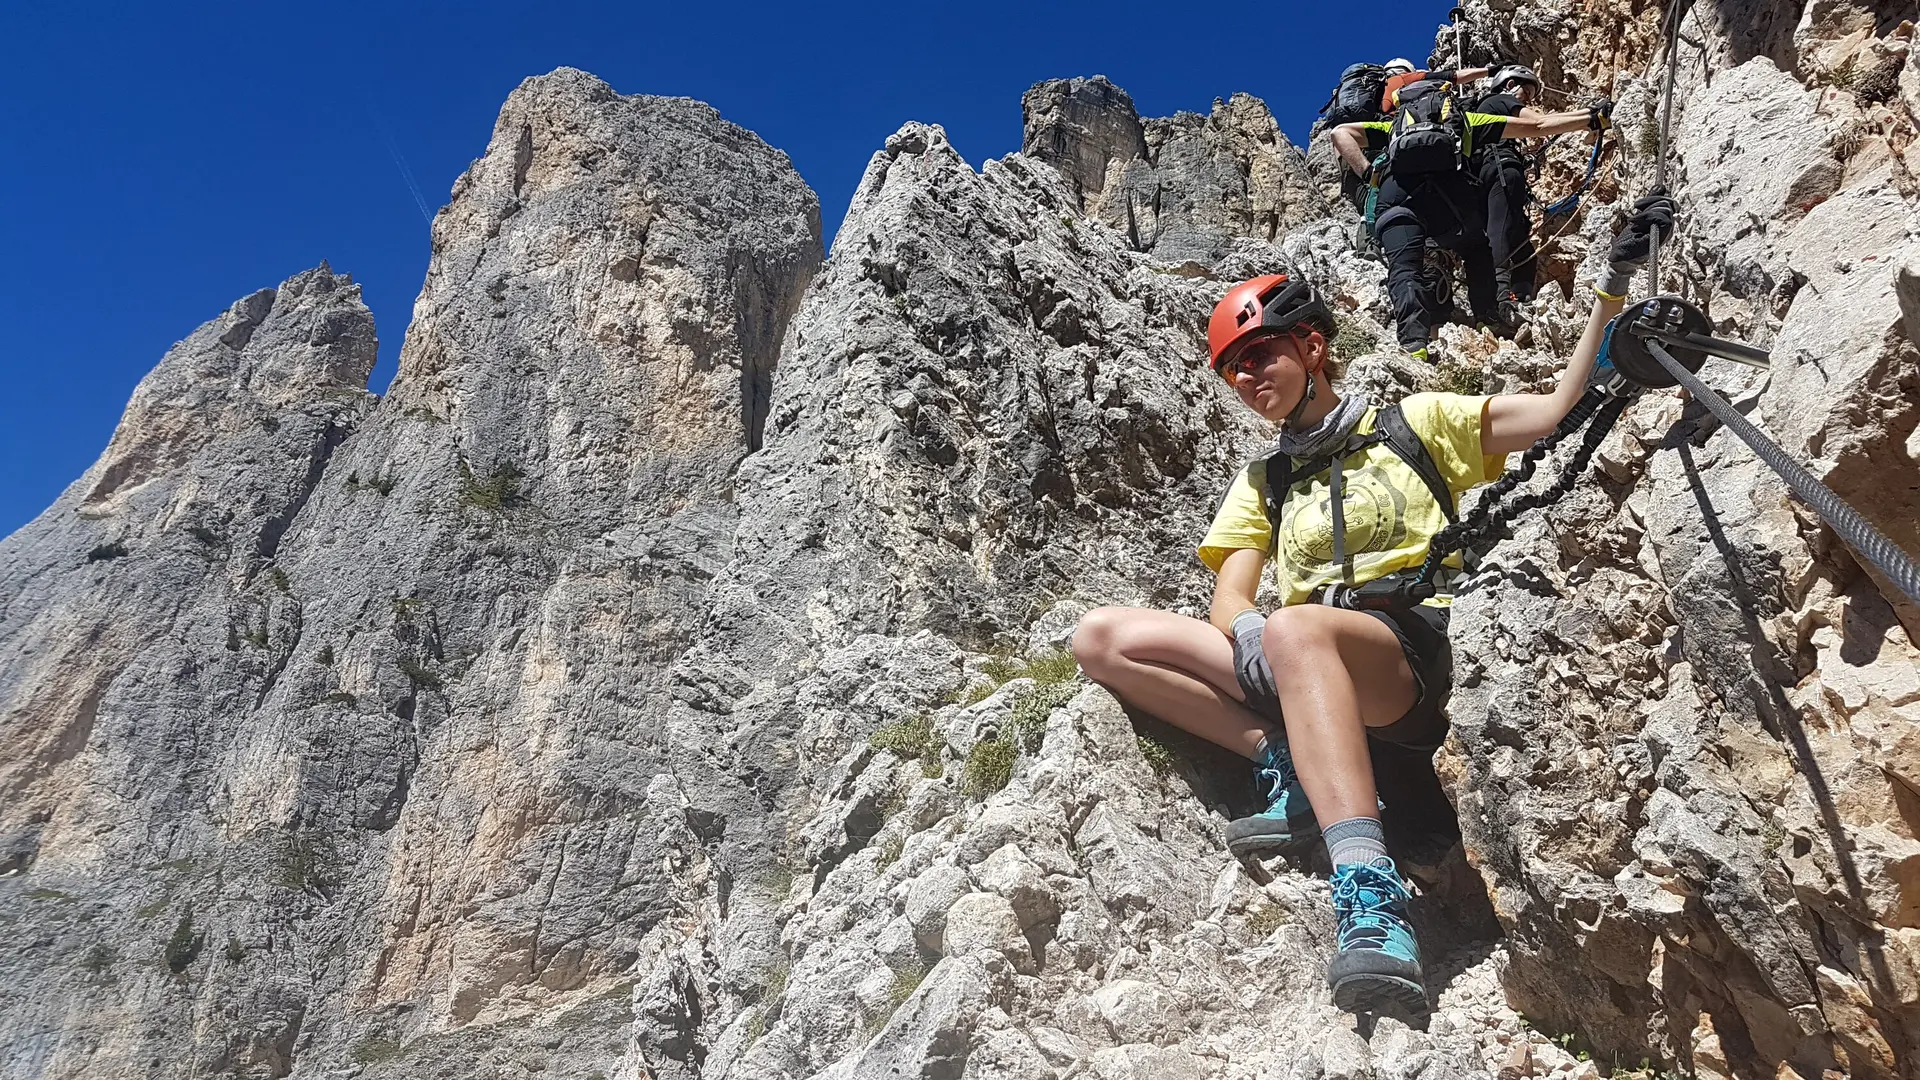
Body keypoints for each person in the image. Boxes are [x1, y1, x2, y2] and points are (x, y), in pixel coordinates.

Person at [1070, 192, 1674, 1017]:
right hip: (1298, 652)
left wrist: (1610, 286)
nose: (1248, 378)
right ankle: (1285, 762)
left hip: (1407, 655)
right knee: (1103, 638)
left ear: (1312, 346)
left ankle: (1371, 896)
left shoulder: (1414, 424)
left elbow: (1555, 410)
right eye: (1234, 369)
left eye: (1261, 355)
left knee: (1296, 627)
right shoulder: (1266, 480)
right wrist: (1247, 630)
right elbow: (1230, 594)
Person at [1329, 99, 1613, 361]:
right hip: (1449, 205)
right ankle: (1486, 316)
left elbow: (1339, 133)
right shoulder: (1466, 120)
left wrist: (1368, 173)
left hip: (1395, 200)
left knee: (1405, 268)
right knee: (1478, 249)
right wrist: (1592, 118)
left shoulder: (1392, 128)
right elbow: (1537, 126)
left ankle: (1413, 344)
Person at [1473, 66, 1548, 320]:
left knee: (1519, 238)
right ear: (1509, 84)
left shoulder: (1484, 110)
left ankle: (1519, 296)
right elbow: (1536, 121)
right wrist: (1585, 118)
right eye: (1525, 91)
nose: (1527, 98)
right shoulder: (1499, 100)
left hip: (1491, 172)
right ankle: (1501, 297)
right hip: (1502, 168)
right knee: (1502, 229)